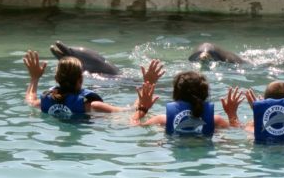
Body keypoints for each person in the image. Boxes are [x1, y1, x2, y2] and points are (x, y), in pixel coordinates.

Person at [23, 50, 164, 116]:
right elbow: (128, 112)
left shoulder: (45, 101)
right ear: (80, 79)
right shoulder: (91, 106)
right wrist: (148, 82)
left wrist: (34, 78)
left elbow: (29, 100)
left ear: (56, 79)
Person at [132, 70, 243, 135]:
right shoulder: (216, 121)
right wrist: (232, 114)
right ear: (205, 95)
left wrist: (142, 109)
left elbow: (133, 126)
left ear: (175, 93)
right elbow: (238, 133)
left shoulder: (162, 120)